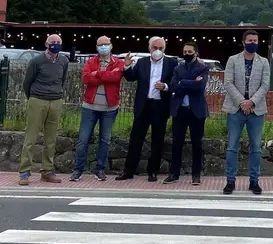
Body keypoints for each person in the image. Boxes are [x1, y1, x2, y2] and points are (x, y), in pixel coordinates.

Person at [116, 37, 177, 182]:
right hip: (143, 105)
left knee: (157, 140)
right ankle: (129, 170)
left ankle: (153, 171)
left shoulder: (172, 63)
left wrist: (166, 87)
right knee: (135, 139)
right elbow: (131, 77)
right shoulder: (142, 63)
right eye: (154, 47)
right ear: (149, 48)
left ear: (164, 49)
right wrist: (126, 67)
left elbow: (176, 82)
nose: (157, 51)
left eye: (160, 48)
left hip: (160, 106)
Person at [70, 35, 125, 182]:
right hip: (90, 106)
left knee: (105, 140)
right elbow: (86, 79)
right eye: (100, 44)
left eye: (105, 44)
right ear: (96, 47)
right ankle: (78, 170)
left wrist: (98, 74)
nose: (103, 47)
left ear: (111, 45)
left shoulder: (118, 62)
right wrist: (104, 75)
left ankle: (100, 169)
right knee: (83, 140)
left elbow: (115, 78)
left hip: (109, 108)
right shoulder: (91, 61)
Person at [223, 29, 270, 195]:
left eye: (255, 41)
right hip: (236, 109)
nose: (253, 43)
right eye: (249, 40)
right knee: (232, 147)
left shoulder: (264, 62)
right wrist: (242, 102)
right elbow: (228, 83)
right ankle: (230, 181)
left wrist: (252, 102)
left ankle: (254, 181)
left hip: (256, 110)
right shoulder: (232, 60)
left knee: (256, 147)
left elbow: (265, 85)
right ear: (243, 42)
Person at [18, 34, 69, 186]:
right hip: (37, 99)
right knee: (31, 137)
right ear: (46, 44)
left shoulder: (64, 61)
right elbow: (27, 82)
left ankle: (47, 171)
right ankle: (24, 172)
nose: (55, 44)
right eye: (53, 42)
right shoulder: (37, 61)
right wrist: (32, 98)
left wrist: (57, 94)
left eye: (58, 42)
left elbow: (63, 80)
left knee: (51, 139)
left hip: (56, 100)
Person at [165, 41, 209, 185]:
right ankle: (174, 173)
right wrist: (188, 82)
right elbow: (173, 86)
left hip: (196, 111)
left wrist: (182, 83)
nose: (187, 54)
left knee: (197, 143)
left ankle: (196, 174)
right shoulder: (178, 68)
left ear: (196, 53)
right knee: (177, 143)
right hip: (180, 110)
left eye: (190, 52)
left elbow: (200, 86)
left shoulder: (202, 68)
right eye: (185, 52)